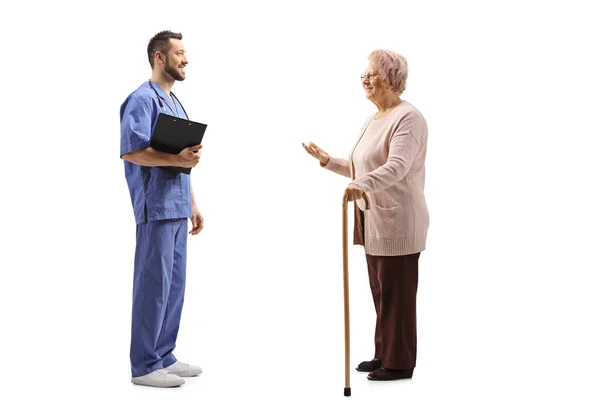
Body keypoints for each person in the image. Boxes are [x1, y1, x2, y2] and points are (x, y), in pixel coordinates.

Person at [302, 49, 429, 381]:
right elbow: (362, 168)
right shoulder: (372, 119)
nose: (365, 79)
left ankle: (400, 363)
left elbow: (397, 167)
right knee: (381, 291)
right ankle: (384, 352)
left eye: (371, 74)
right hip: (371, 219)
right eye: (364, 74)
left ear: (389, 78)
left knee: (397, 294)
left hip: (399, 219)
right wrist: (329, 161)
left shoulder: (408, 118)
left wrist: (362, 183)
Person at [120, 30, 204, 388]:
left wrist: (194, 204)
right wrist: (176, 157)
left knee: (174, 286)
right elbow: (131, 151)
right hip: (155, 207)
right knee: (154, 285)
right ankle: (144, 365)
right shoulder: (142, 100)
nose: (185, 59)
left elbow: (182, 160)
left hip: (177, 206)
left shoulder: (175, 102)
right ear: (160, 57)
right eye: (179, 53)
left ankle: (164, 354)